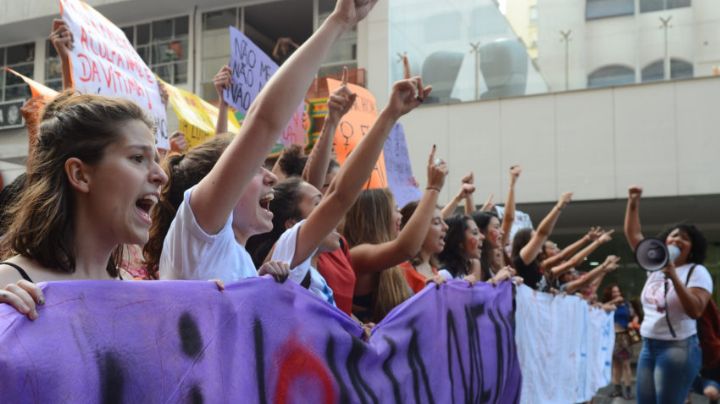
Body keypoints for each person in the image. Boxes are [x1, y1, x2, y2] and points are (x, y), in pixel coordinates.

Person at [150, 0, 379, 283]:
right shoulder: (198, 239)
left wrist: (261, 286)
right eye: (254, 168)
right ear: (217, 182)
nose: (272, 177)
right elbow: (263, 123)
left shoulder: (242, 259)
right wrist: (338, 21)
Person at [245, 74, 432, 306]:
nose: (330, 209)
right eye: (317, 203)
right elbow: (340, 194)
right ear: (292, 225)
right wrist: (389, 114)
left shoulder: (321, 264)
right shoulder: (287, 256)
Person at [0, 91, 168, 319]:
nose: (161, 176)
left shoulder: (136, 296)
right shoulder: (7, 286)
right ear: (80, 175)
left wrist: (210, 305)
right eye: (138, 158)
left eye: (156, 161)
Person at [624, 185, 713, 404]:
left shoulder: (697, 272)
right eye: (672, 236)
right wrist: (633, 203)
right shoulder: (654, 266)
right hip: (648, 345)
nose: (676, 240)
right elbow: (634, 234)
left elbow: (695, 310)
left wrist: (673, 275)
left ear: (691, 248)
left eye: (684, 238)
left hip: (677, 348)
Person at [343, 147, 447, 323]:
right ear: (377, 217)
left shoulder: (394, 266)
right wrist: (433, 188)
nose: (401, 217)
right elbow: (406, 249)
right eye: (396, 210)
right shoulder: (357, 255)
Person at [511, 192, 573, 289]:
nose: (540, 241)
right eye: (533, 239)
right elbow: (542, 233)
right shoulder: (522, 260)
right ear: (525, 243)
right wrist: (558, 207)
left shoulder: (539, 264)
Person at [398, 202, 447, 293]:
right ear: (417, 229)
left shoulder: (433, 270)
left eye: (443, 221)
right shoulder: (401, 272)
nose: (446, 227)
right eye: (437, 222)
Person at [603, 283, 636, 400]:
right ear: (609, 294)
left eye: (618, 291)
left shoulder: (626, 304)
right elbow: (601, 309)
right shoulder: (609, 305)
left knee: (626, 364)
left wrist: (633, 322)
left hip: (624, 337)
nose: (617, 294)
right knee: (616, 365)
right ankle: (617, 389)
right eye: (614, 292)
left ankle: (628, 390)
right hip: (612, 337)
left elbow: (634, 315)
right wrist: (614, 302)